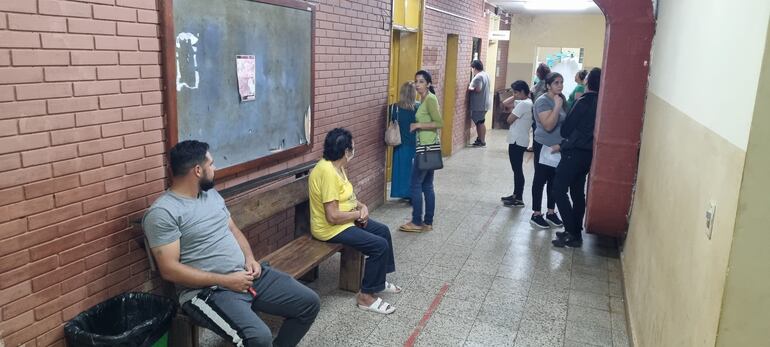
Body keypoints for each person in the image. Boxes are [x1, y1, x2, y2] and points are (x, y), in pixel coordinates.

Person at [142, 140, 320, 347]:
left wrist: (250, 258)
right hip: (208, 292)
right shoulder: (163, 213)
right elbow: (169, 270)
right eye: (212, 164)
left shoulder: (210, 195)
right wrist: (227, 281)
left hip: (246, 275)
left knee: (308, 303)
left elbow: (233, 229)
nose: (215, 168)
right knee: (258, 338)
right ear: (198, 170)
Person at [308, 128, 401, 315]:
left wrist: (361, 206)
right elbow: (332, 216)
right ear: (345, 151)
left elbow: (346, 197)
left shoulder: (338, 167)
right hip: (330, 228)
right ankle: (366, 297)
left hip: (346, 220)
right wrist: (357, 215)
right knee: (379, 246)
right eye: (352, 147)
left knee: (383, 231)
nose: (354, 150)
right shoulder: (327, 172)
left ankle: (379, 281)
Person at [552, 68, 602, 248]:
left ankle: (571, 231)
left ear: (587, 82)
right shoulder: (602, 103)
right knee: (577, 192)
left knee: (558, 189)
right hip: (587, 155)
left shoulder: (584, 102)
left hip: (573, 153)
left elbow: (566, 130)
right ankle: (575, 232)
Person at [399, 70, 443, 233]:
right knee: (427, 185)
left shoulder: (430, 99)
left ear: (428, 84)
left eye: (422, 82)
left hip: (426, 148)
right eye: (416, 81)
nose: (418, 85)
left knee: (415, 184)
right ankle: (427, 222)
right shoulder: (424, 99)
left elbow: (439, 123)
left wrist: (418, 125)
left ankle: (417, 221)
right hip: (429, 146)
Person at [531, 72, 567, 229]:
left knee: (554, 180)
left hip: (558, 147)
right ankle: (536, 214)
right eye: (556, 83)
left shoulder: (561, 99)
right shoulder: (543, 101)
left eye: (561, 82)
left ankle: (551, 212)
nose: (560, 85)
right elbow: (548, 125)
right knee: (540, 179)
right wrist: (557, 106)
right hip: (544, 145)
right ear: (548, 85)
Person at [500, 80, 534, 208]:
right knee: (516, 169)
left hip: (517, 141)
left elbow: (509, 120)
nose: (514, 95)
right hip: (520, 139)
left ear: (522, 92)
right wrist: (515, 96)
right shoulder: (527, 102)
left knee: (517, 170)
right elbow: (505, 103)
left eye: (515, 92)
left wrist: (514, 104)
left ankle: (519, 198)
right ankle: (515, 194)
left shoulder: (523, 104)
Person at [389, 82, 419, 201]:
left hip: (400, 145)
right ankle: (412, 194)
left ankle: (402, 192)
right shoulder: (418, 107)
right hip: (414, 144)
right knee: (413, 171)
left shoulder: (394, 108)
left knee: (401, 171)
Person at [468, 60, 491, 147]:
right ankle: (480, 139)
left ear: (474, 68)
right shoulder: (485, 74)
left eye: (472, 68)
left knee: (480, 122)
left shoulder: (478, 77)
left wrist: (470, 89)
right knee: (480, 121)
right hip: (484, 103)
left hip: (479, 104)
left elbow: (478, 89)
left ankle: (482, 140)